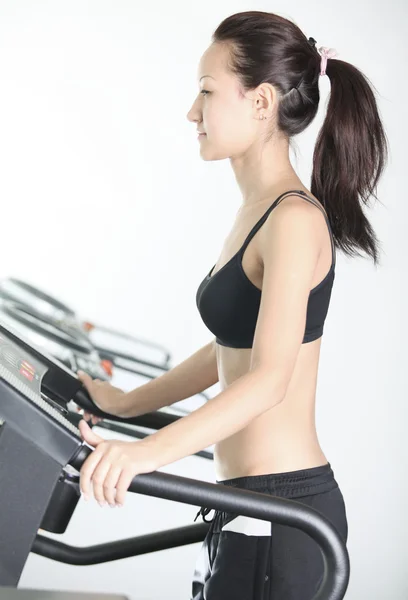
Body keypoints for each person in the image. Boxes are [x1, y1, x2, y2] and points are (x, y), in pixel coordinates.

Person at [76, 10, 389, 599]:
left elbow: (269, 379)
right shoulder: (259, 210)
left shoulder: (293, 219)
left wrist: (143, 455)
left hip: (286, 512)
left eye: (206, 91)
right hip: (246, 506)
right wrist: (124, 402)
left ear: (262, 101)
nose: (192, 112)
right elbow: (233, 349)